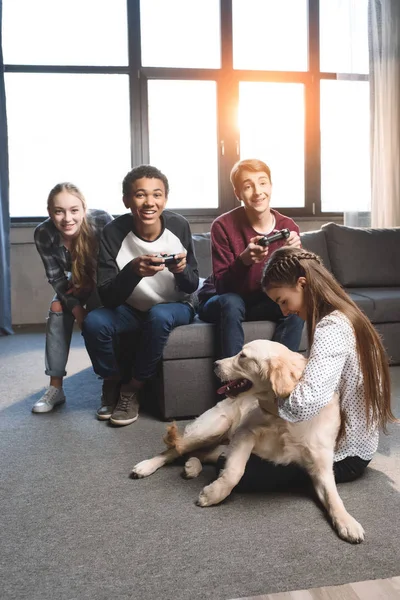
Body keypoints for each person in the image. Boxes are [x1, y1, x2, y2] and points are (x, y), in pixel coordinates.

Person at [219, 246, 398, 491]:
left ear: (302, 284)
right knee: (246, 451)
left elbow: (303, 405)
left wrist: (267, 394)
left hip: (343, 457)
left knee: (235, 466)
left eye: (284, 301)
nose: (284, 311)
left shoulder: (331, 328)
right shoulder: (345, 314)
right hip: (361, 444)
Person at [82, 165, 199, 426]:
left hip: (175, 304)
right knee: (94, 322)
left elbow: (191, 285)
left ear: (165, 199)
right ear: (126, 200)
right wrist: (133, 271)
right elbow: (108, 296)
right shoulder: (113, 233)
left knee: (158, 315)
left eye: (157, 195)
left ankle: (132, 389)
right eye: (140, 195)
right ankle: (111, 382)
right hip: (130, 309)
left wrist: (181, 271)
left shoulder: (179, 226)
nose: (149, 202)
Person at [197, 158, 304, 360]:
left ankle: (277, 378)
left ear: (271, 186)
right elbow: (221, 287)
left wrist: (294, 257)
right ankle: (234, 384)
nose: (257, 192)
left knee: (296, 304)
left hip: (262, 300)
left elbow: (294, 286)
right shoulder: (222, 226)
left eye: (263, 183)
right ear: (238, 193)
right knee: (232, 301)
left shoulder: (287, 225)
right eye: (248, 186)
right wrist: (244, 261)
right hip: (221, 300)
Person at [33, 183, 113, 413]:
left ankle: (111, 382)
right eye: (59, 211)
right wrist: (77, 310)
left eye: (74, 210)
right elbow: (56, 279)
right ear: (50, 212)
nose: (67, 218)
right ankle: (55, 388)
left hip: (103, 281)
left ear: (84, 209)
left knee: (98, 319)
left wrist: (91, 290)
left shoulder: (102, 221)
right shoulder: (43, 233)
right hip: (73, 282)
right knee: (58, 307)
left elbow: (114, 265)